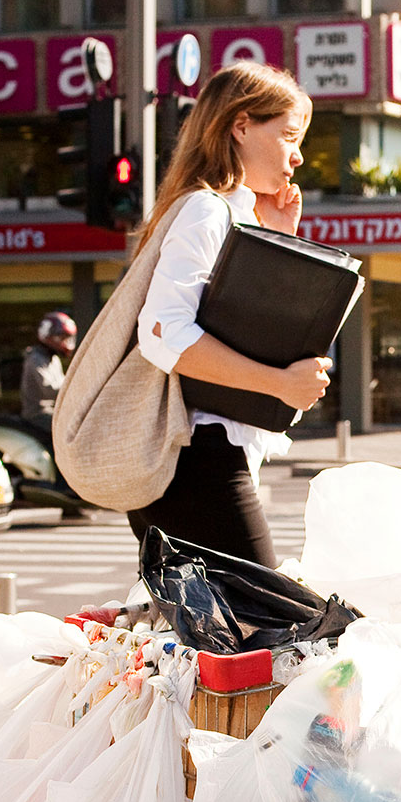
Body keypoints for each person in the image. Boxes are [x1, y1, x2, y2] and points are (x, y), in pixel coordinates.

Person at [128, 63, 330, 566]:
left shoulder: (235, 215)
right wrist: (279, 383)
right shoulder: (207, 210)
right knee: (277, 628)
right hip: (198, 463)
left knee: (216, 636)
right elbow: (164, 332)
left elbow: (249, 325)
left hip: (203, 463)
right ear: (240, 126)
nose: (298, 155)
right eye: (287, 135)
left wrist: (275, 236)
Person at [19, 310, 75, 430]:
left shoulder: (53, 359)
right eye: (62, 337)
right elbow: (49, 390)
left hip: (53, 411)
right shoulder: (35, 358)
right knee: (70, 428)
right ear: (49, 336)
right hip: (37, 414)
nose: (65, 342)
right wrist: (75, 388)